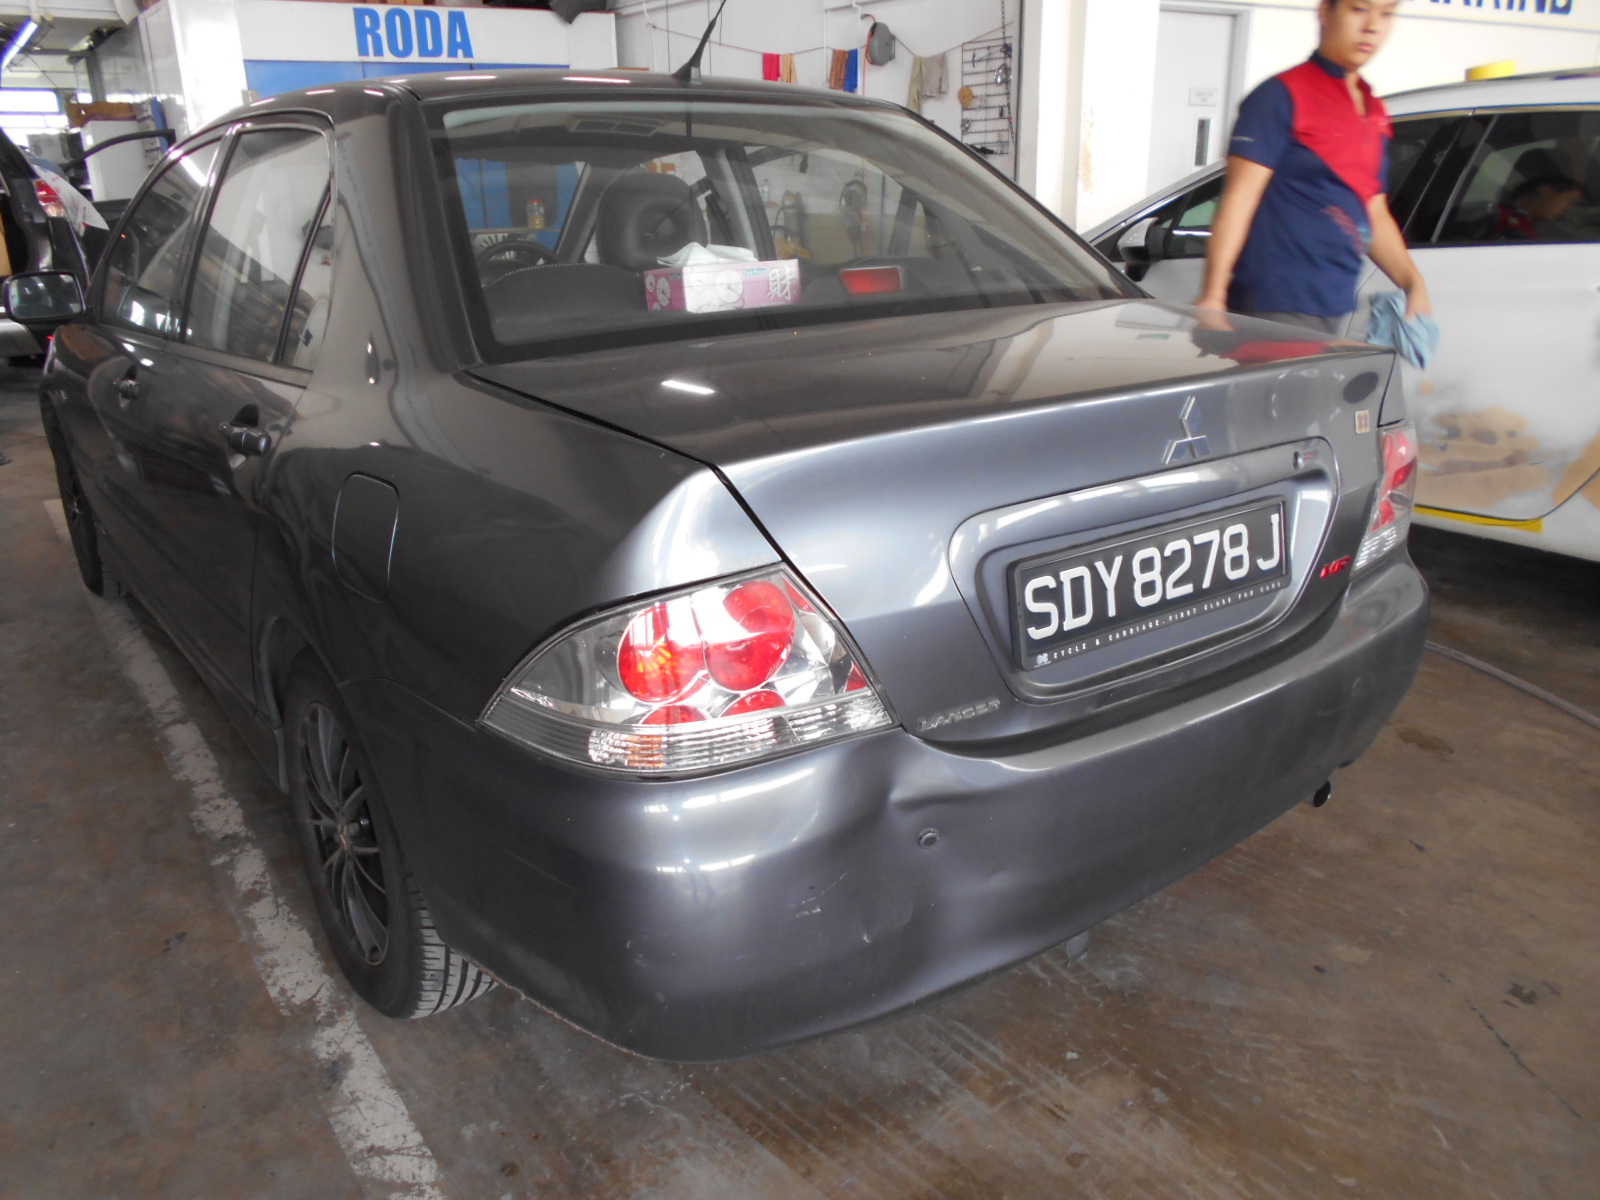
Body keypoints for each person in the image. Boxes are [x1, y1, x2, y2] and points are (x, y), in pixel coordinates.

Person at [1195, 0, 1429, 334]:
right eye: (1359, 9)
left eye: (1387, 13)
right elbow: (1239, 198)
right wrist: (1213, 293)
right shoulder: (1280, 95)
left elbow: (1374, 211)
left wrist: (1413, 282)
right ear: (1324, 11)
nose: (1373, 26)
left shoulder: (1373, 110)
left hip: (1334, 301)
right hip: (1276, 300)